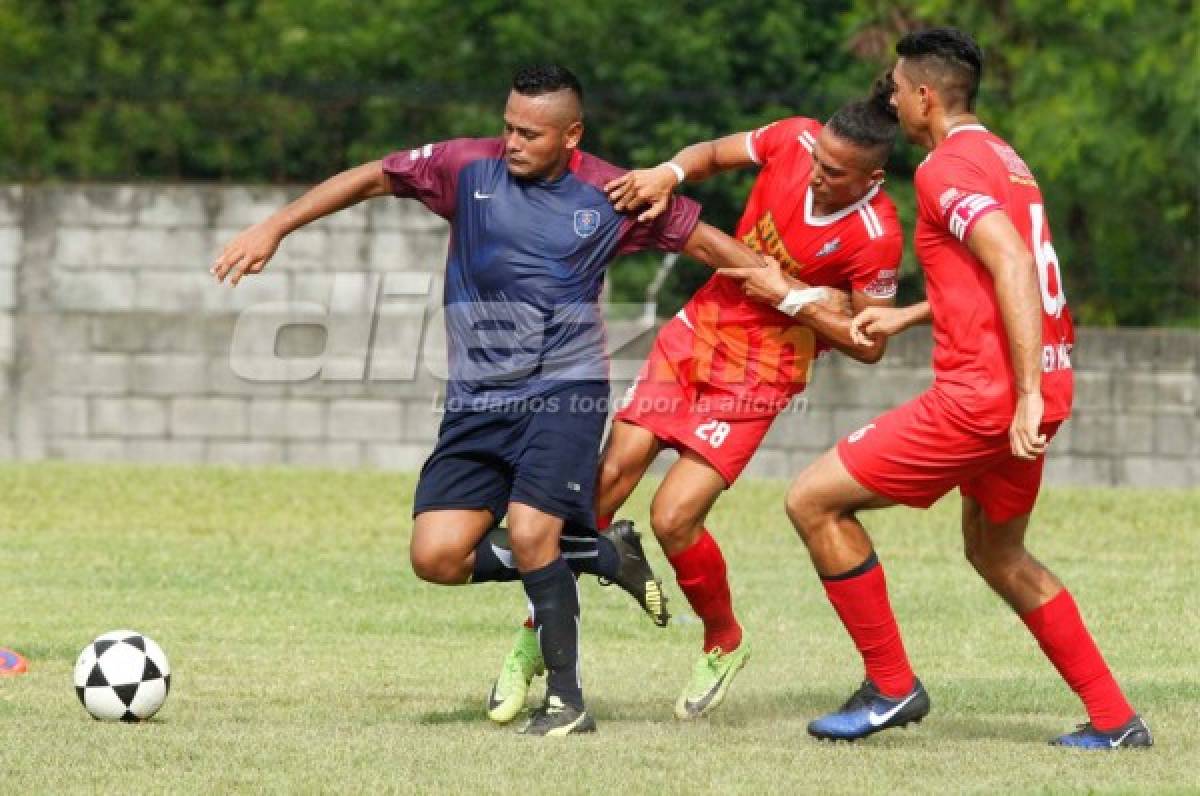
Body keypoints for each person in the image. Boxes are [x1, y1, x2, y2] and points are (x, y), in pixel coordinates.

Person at [211, 65, 794, 737]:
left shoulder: (611, 193)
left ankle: (569, 702)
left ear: (571, 134)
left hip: (563, 390)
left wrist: (787, 289)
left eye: (531, 133)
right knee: (435, 556)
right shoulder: (465, 167)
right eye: (508, 126)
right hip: (476, 401)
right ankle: (604, 554)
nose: (513, 141)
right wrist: (274, 229)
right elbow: (372, 174)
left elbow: (703, 243)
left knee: (529, 530)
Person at [482, 81, 904, 723]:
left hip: (763, 372)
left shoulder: (877, 237)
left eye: (835, 172)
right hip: (699, 332)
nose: (816, 175)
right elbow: (710, 153)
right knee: (600, 489)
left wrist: (790, 297)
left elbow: (870, 343)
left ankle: (724, 641)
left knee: (674, 516)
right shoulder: (792, 136)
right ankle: (528, 650)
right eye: (817, 160)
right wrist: (667, 172)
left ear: (873, 177)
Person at [784, 28, 1150, 748]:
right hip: (1037, 384)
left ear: (924, 96)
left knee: (812, 500)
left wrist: (1021, 395)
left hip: (988, 396)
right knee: (997, 553)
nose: (887, 95)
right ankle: (1113, 719)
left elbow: (1012, 265)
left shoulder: (941, 169)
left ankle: (891, 686)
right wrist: (914, 314)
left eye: (894, 85)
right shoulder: (1005, 160)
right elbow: (996, 271)